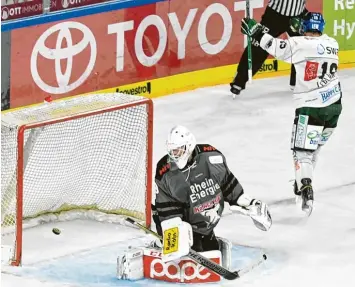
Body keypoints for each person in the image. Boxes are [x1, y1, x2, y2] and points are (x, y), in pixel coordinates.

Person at [240, 12, 342, 216]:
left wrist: (256, 31)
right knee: (314, 148)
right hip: (335, 106)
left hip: (311, 108)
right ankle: (302, 180)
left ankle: (305, 189)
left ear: (306, 28)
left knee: (302, 152)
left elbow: (276, 47)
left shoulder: (299, 44)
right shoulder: (332, 43)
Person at [152, 125, 272, 254]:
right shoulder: (166, 172)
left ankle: (204, 237)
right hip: (183, 223)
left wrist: (248, 203)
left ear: (189, 146)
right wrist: (175, 234)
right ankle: (162, 242)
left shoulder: (211, 158)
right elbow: (167, 208)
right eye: (172, 150)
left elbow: (228, 184)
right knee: (183, 251)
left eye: (178, 150)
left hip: (204, 226)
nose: (174, 154)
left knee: (212, 250)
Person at [230, 0, 308, 97]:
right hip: (275, 15)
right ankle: (239, 80)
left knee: (304, 46)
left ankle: (297, 81)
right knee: (259, 44)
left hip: (298, 14)